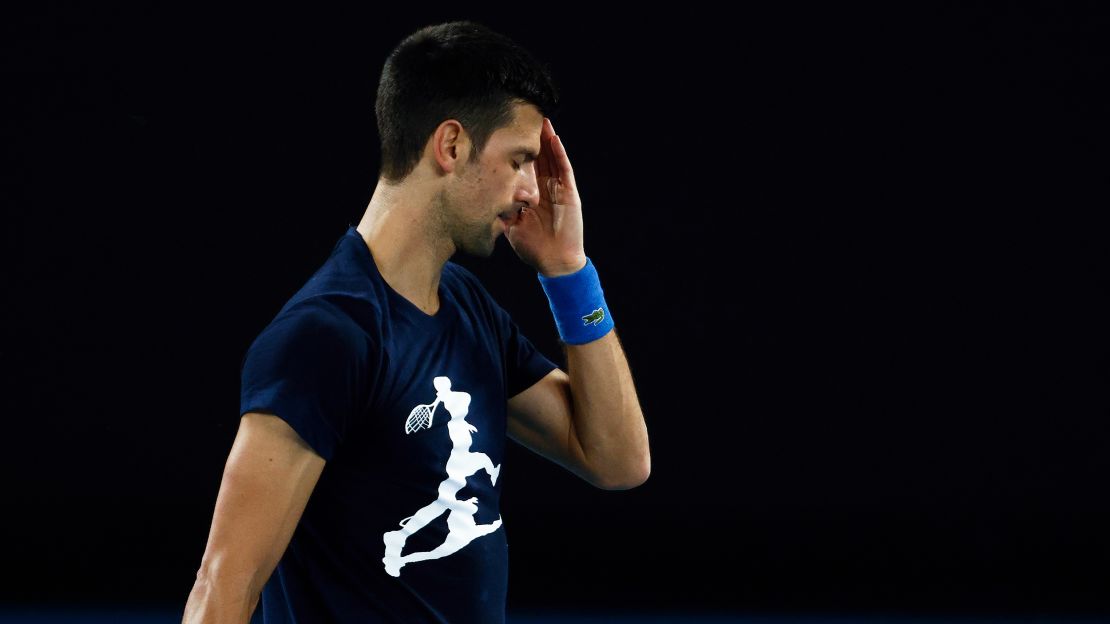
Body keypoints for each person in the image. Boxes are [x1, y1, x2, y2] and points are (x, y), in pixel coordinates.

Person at [182, 19, 650, 624]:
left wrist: (568, 271)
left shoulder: (468, 308)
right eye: (520, 160)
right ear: (451, 145)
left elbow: (618, 460)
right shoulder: (327, 337)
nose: (534, 190)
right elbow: (223, 589)